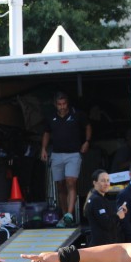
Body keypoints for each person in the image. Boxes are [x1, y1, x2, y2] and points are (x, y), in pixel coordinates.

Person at [41, 91, 92, 228]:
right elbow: (46, 133)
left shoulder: (77, 114)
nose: (62, 107)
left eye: (64, 104)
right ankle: (65, 216)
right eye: (59, 104)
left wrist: (87, 141)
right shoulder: (51, 116)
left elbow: (88, 126)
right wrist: (43, 149)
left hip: (73, 154)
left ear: (67, 103)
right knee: (60, 185)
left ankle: (69, 213)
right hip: (57, 154)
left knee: (71, 181)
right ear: (55, 104)